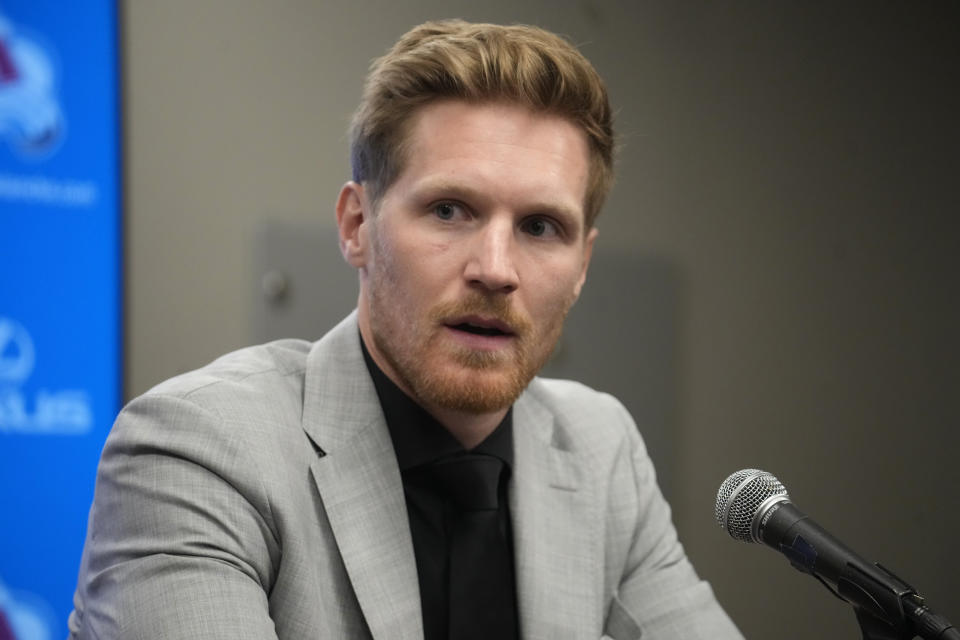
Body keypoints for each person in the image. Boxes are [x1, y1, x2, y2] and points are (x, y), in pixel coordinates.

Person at [69, 19, 743, 640]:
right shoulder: (200, 449)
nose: (496, 270)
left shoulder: (600, 450)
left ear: (583, 265)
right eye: (450, 210)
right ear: (357, 226)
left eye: (541, 227)